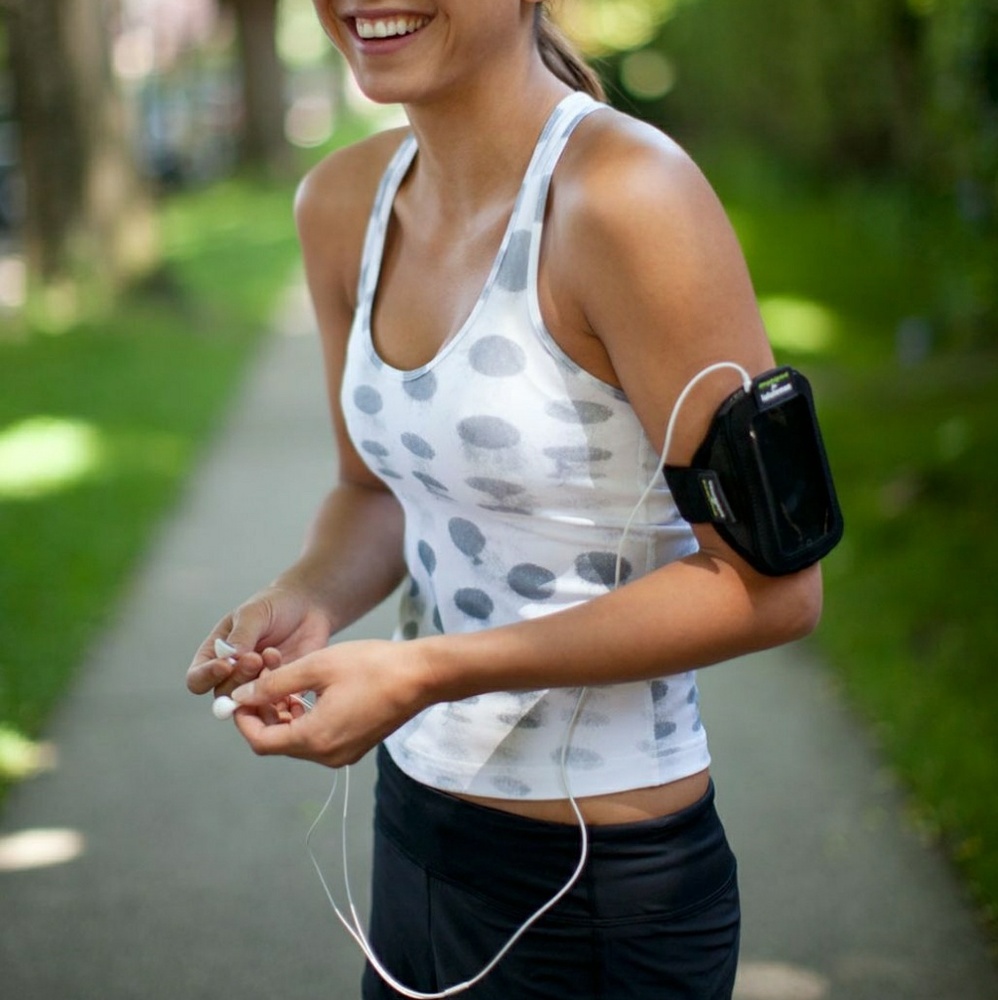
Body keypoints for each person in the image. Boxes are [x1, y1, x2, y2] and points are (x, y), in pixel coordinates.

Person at [187, 3, 823, 998]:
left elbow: (771, 587)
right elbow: (373, 491)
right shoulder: (340, 204)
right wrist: (304, 599)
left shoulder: (628, 196)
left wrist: (426, 673)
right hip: (415, 836)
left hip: (603, 894)